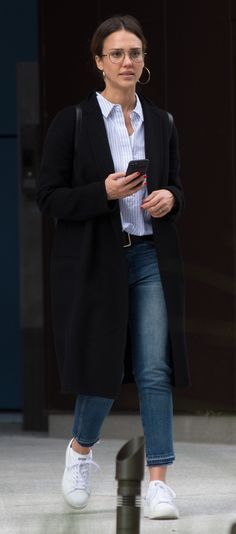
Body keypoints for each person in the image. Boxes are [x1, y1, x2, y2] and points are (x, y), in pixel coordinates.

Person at [36, 14, 190, 521]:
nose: (128, 61)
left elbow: (178, 186)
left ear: (144, 62)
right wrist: (102, 192)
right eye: (117, 53)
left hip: (148, 256)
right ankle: (81, 452)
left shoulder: (161, 122)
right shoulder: (73, 122)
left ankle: (159, 482)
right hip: (96, 260)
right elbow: (50, 197)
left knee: (153, 368)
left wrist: (169, 197)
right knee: (100, 368)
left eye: (136, 53)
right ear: (99, 61)